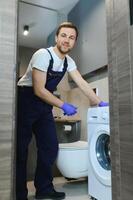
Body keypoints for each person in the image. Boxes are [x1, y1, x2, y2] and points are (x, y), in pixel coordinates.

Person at [16, 22, 108, 200]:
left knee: (50, 147)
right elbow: (39, 90)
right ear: (57, 38)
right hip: (25, 101)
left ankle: (44, 189)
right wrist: (63, 105)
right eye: (64, 36)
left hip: (43, 106)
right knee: (21, 150)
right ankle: (19, 193)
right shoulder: (43, 55)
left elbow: (81, 83)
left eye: (71, 38)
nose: (67, 40)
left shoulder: (69, 62)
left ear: (74, 42)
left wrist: (100, 102)